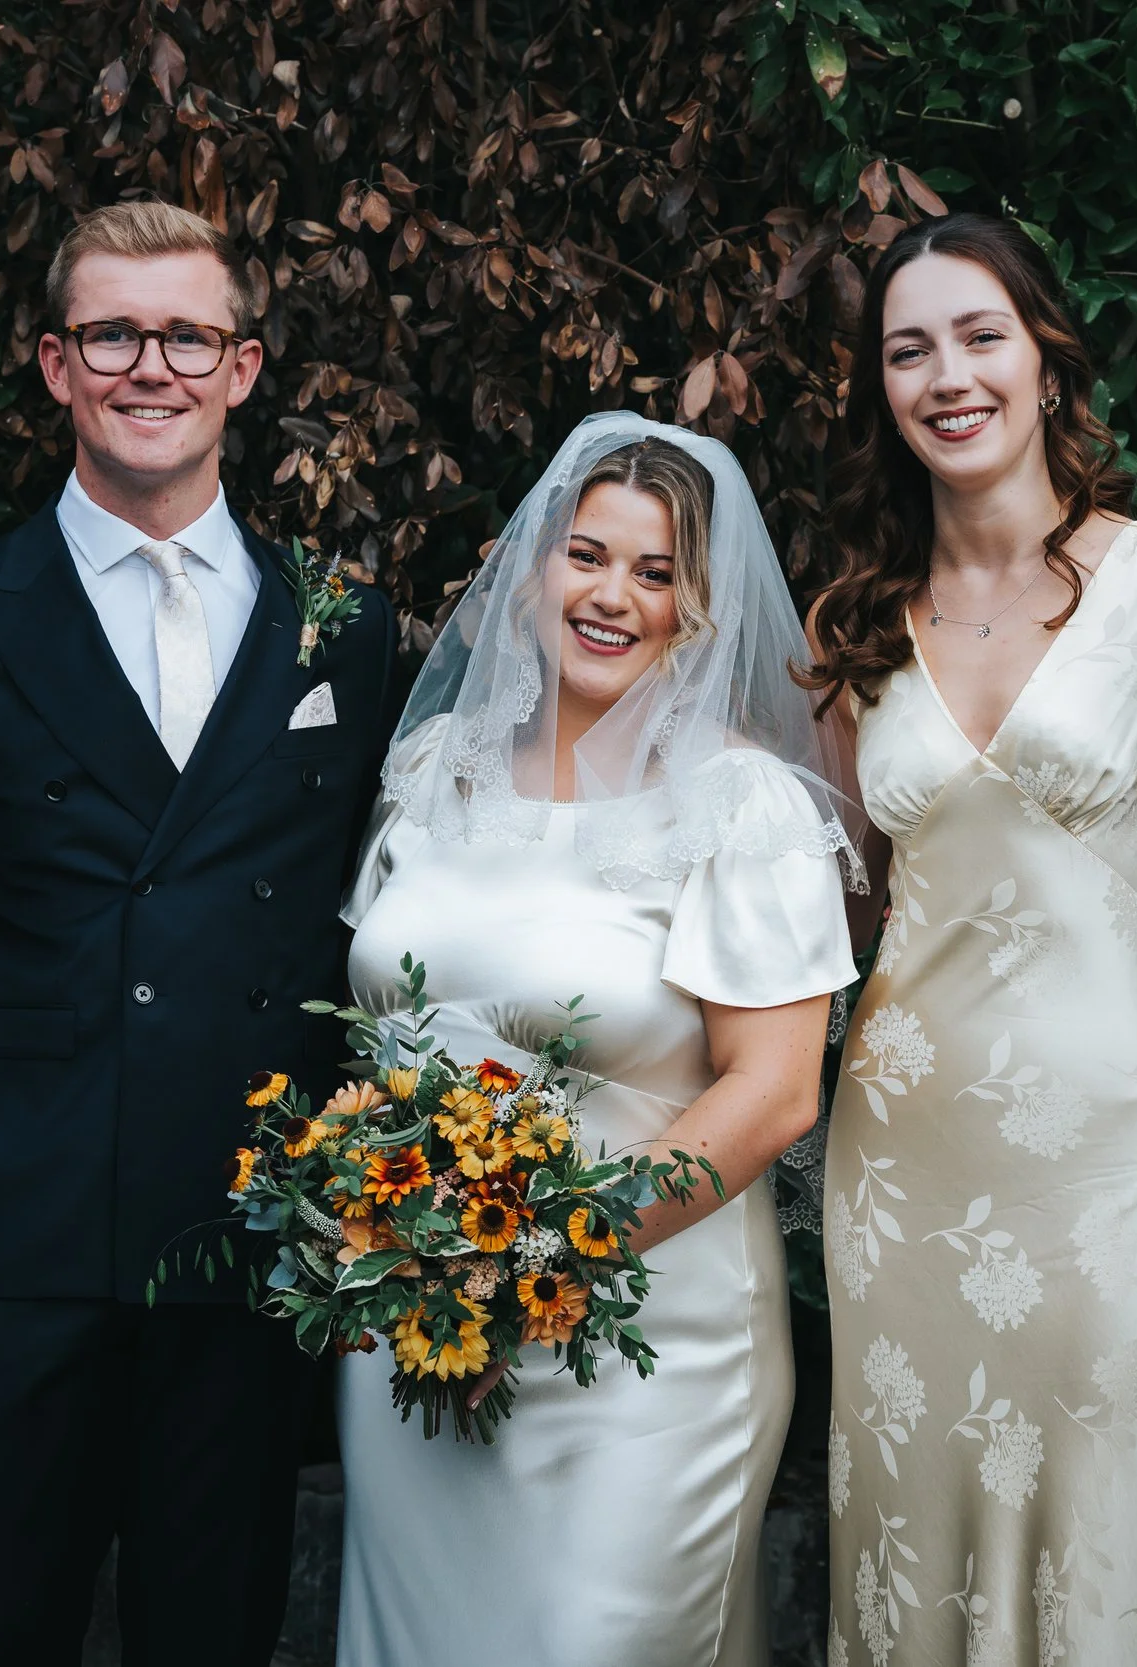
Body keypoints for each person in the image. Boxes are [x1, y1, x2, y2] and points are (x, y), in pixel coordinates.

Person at [0, 200, 398, 1666]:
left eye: (186, 334)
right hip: (18, 1237)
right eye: (111, 332)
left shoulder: (340, 621)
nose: (147, 365)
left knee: (213, 1629)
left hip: (240, 1229)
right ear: (55, 363)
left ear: (242, 367)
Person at [801, 213, 1137, 1666]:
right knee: (909, 1523)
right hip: (905, 1151)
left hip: (1119, 1157)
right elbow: (838, 914)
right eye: (908, 347)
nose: (949, 373)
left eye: (980, 334)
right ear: (880, 387)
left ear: (1048, 358)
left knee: (1104, 1527)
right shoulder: (852, 623)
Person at [335, 413, 859, 1666]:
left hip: (644, 1349)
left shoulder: (745, 805)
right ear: (529, 575)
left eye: (657, 569)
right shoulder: (431, 770)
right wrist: (412, 1254)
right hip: (414, 1331)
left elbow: (777, 1091)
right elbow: (379, 1045)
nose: (611, 594)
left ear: (702, 608)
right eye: (586, 554)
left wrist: (530, 1260)